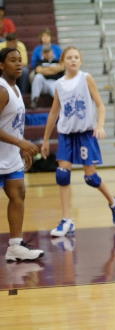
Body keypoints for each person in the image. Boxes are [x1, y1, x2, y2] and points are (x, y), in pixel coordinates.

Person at [41, 47, 115, 237]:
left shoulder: (86, 78)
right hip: (66, 134)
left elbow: (101, 105)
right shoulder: (59, 84)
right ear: (63, 62)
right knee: (62, 174)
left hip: (85, 133)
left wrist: (100, 125)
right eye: (69, 57)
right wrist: (45, 139)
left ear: (81, 61)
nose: (73, 60)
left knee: (90, 177)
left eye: (76, 57)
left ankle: (114, 203)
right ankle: (66, 220)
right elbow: (53, 113)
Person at [0, 48, 44, 261]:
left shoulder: (16, 88)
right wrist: (20, 142)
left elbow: (12, 124)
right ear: (1, 65)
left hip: (10, 156)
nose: (18, 64)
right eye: (12, 60)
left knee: (18, 195)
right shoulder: (2, 90)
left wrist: (20, 147)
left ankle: (15, 246)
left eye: (20, 60)